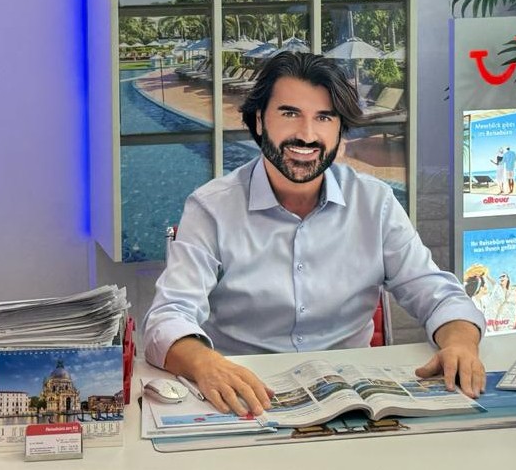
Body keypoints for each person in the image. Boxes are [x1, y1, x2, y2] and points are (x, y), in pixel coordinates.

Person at [144, 51, 485, 416]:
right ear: (259, 120)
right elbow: (168, 316)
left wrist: (460, 343)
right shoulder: (211, 208)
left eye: (324, 117)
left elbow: (437, 294)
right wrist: (205, 364)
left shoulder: (375, 203)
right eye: (289, 114)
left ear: (340, 129)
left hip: (355, 403)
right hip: (247, 400)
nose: (307, 135)